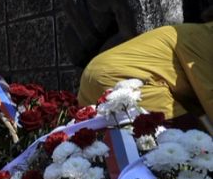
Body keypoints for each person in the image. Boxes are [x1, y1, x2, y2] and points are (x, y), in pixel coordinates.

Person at [78, 20, 213, 130]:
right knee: (191, 142)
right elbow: (209, 97)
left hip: (92, 77)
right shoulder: (202, 39)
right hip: (121, 81)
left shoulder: (194, 33)